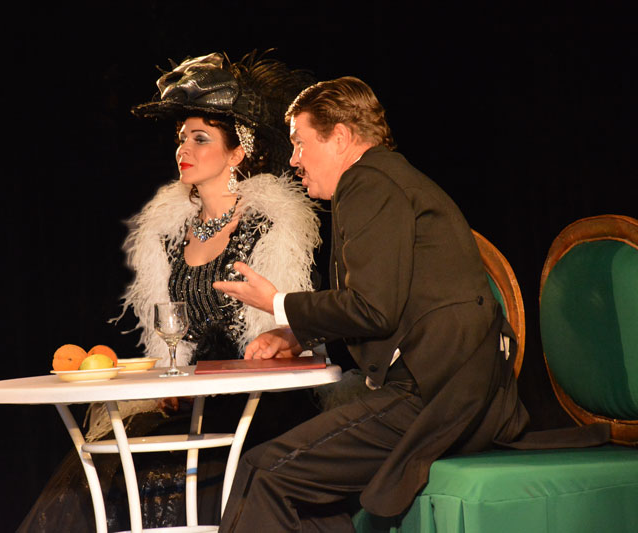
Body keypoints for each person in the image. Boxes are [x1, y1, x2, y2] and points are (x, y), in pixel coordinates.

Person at [212, 76, 606, 532]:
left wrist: (278, 303)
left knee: (264, 472)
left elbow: (373, 309)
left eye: (300, 143)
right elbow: (388, 301)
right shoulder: (384, 179)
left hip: (438, 397)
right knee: (295, 489)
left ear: (340, 137)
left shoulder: (368, 183)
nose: (294, 159)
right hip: (452, 391)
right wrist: (297, 333)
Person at [18, 51, 322, 532]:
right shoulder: (169, 235)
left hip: (255, 407)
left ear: (237, 153)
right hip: (190, 404)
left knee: (155, 475)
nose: (185, 148)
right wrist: (170, 381)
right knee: (95, 469)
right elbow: (170, 338)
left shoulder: (270, 227)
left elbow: (291, 332)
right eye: (182, 138)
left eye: (201, 138)